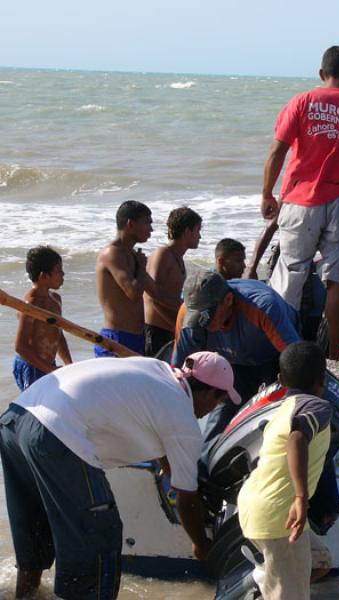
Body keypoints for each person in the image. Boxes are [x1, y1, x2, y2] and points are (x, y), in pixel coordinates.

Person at [0, 351, 239, 599]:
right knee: (101, 535)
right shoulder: (183, 419)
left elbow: (167, 457)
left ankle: (25, 594)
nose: (210, 411)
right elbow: (187, 499)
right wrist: (201, 544)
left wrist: (183, 479)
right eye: (217, 403)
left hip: (17, 420)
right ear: (210, 392)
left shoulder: (157, 371)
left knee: (35, 526)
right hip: (56, 432)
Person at [261, 45, 339, 361]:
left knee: (290, 277)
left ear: (322, 74)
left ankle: (283, 356)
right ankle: (334, 358)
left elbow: (277, 151)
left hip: (300, 200)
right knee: (336, 283)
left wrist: (267, 193)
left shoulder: (302, 102)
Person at [237, 341, 332, 600]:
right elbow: (297, 439)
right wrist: (301, 497)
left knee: (320, 562)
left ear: (280, 380)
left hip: (254, 506)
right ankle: (274, 587)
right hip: (278, 515)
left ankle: (267, 583)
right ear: (322, 380)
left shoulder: (281, 410)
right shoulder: (316, 406)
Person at [172, 271, 301, 448]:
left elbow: (298, 362)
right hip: (230, 363)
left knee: (277, 415)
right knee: (220, 415)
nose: (202, 324)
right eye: (197, 319)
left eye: (205, 317)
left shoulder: (263, 306)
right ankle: (205, 467)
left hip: (274, 357)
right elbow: (177, 378)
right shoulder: (189, 316)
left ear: (228, 300)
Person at [95, 200, 157, 357]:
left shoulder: (131, 254)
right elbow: (133, 292)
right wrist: (142, 267)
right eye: (147, 223)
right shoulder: (112, 253)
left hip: (137, 338)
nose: (151, 229)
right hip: (117, 338)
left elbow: (154, 291)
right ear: (130, 224)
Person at [144, 207, 203, 357]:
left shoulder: (178, 258)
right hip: (155, 332)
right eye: (197, 230)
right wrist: (176, 323)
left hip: (170, 330)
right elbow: (151, 295)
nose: (200, 236)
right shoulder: (163, 254)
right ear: (187, 231)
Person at [13, 246, 72, 390]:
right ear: (43, 276)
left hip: (47, 365)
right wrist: (50, 370)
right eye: (58, 270)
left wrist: (69, 364)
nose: (63, 274)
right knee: (36, 407)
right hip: (31, 365)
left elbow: (58, 335)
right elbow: (20, 347)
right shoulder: (31, 305)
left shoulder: (55, 299)